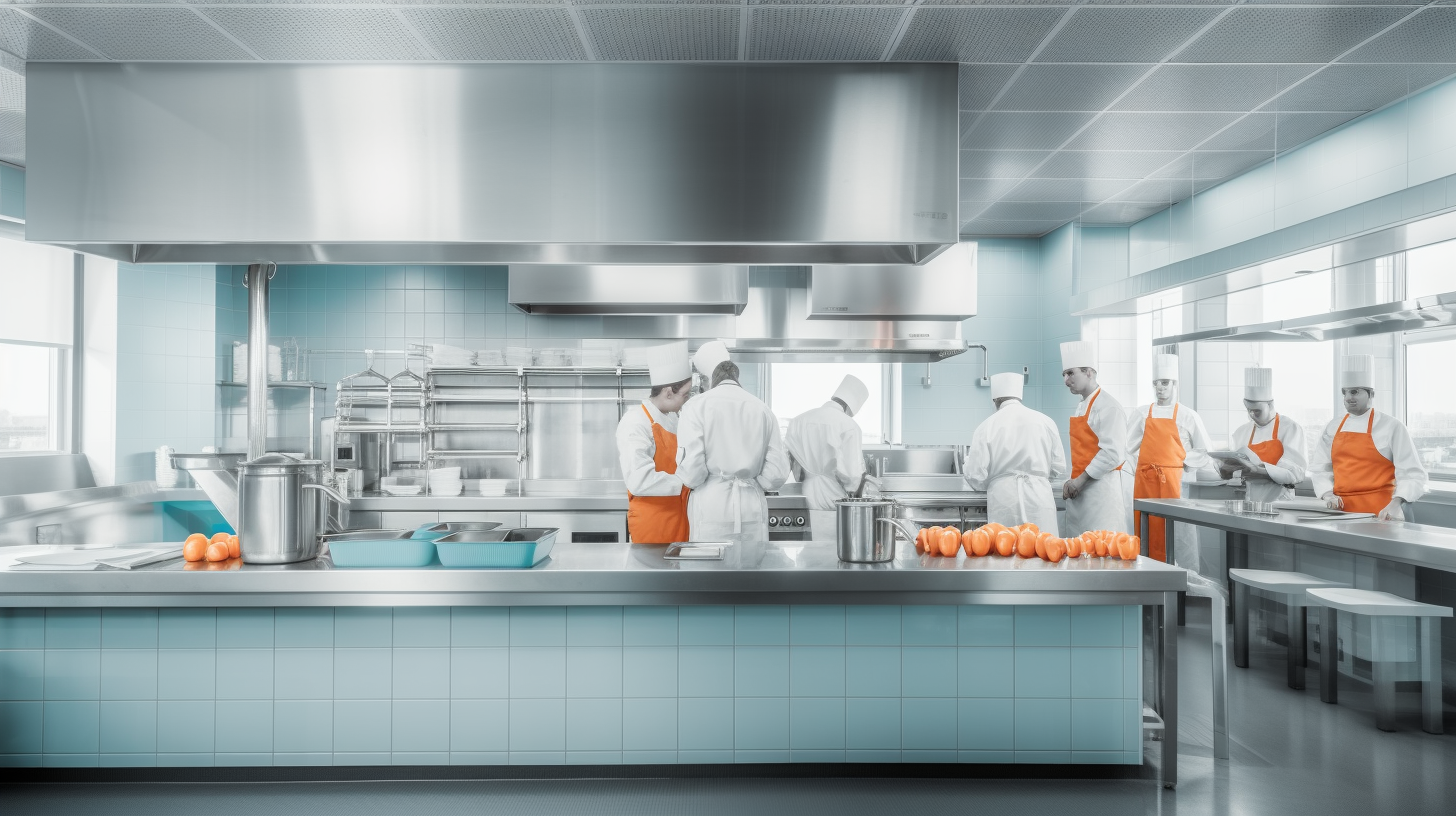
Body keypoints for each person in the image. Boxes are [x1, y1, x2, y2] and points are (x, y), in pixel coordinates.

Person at [676, 352, 790, 542]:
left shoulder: (695, 406)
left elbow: (692, 474)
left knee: (711, 568)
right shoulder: (762, 408)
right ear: (737, 378)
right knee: (751, 567)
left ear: (710, 380)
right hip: (751, 506)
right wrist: (750, 478)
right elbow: (775, 474)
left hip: (712, 507)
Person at [1311, 355, 1427, 521]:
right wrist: (1328, 495)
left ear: (1371, 393)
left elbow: (1413, 474)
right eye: (1345, 392)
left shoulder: (1392, 426)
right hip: (1341, 513)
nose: (1348, 397)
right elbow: (1320, 469)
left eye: (1355, 392)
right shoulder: (1333, 427)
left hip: (1381, 513)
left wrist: (1395, 504)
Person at [1127, 353, 1212, 567]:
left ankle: (1185, 582)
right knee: (1146, 531)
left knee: (1178, 534)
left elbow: (1204, 450)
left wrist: (1180, 462)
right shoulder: (1141, 413)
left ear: (1174, 384)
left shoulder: (1187, 415)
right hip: (1146, 484)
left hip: (1175, 484)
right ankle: (1146, 577)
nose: (1159, 388)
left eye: (1164, 383)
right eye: (1156, 383)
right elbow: (1126, 448)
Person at [964, 371, 1064, 534]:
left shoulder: (987, 426)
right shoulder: (1046, 422)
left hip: (1004, 499)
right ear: (1019, 397)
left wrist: (995, 481)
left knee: (1007, 552)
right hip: (1039, 496)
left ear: (995, 400)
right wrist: (1037, 478)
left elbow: (975, 475)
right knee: (1044, 551)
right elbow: (1058, 467)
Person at [614, 342, 694, 544]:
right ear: (668, 393)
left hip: (679, 519)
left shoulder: (673, 419)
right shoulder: (636, 421)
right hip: (653, 525)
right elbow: (639, 480)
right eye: (685, 395)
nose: (687, 400)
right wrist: (686, 483)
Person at [784, 375, 873, 541]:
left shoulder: (799, 420)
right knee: (834, 552)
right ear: (849, 407)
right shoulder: (848, 425)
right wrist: (854, 489)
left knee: (810, 551)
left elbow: (792, 462)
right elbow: (852, 475)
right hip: (834, 496)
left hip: (808, 493)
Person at [1060, 341, 1129, 536]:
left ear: (1089, 372)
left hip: (1101, 494)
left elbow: (1112, 453)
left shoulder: (1108, 407)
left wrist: (1079, 481)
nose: (1065, 380)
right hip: (1083, 493)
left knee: (1102, 553)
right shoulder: (1083, 405)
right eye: (1064, 374)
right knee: (1081, 554)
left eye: (1070, 373)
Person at [1219, 367, 1308, 504]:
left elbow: (1297, 473)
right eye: (1249, 410)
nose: (1252, 415)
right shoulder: (1241, 432)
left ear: (1270, 404)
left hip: (1279, 502)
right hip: (1248, 501)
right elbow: (1234, 471)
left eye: (1257, 411)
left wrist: (1261, 470)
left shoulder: (1291, 429)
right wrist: (1227, 470)